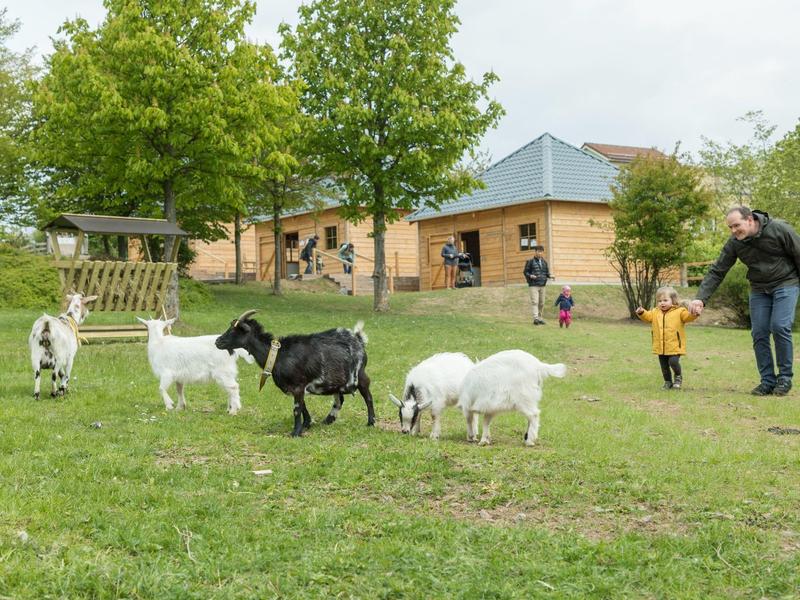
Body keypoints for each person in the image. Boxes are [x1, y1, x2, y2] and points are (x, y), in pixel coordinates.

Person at [688, 206, 800, 396]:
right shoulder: (735, 242)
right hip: (758, 288)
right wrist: (700, 298)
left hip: (785, 282)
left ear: (750, 220)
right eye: (730, 227)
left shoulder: (779, 229)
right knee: (759, 332)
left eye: (736, 225)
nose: (733, 231)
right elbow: (718, 270)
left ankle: (784, 379)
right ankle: (767, 381)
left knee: (780, 326)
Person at [636, 286, 698, 390]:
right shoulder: (655, 312)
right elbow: (648, 317)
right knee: (664, 367)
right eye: (659, 301)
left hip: (674, 345)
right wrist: (642, 312)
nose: (662, 303)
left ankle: (678, 377)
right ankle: (668, 382)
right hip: (660, 346)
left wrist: (694, 314)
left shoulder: (680, 311)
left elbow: (688, 317)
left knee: (673, 362)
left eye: (665, 300)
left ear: (673, 300)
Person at [523, 245, 552, 325]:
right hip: (533, 285)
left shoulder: (544, 262)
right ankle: (535, 318)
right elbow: (525, 272)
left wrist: (550, 276)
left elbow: (546, 273)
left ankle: (540, 318)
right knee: (535, 302)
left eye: (541, 251)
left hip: (542, 285)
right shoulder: (530, 261)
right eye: (538, 251)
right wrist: (530, 276)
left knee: (542, 303)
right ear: (535, 252)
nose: (540, 253)